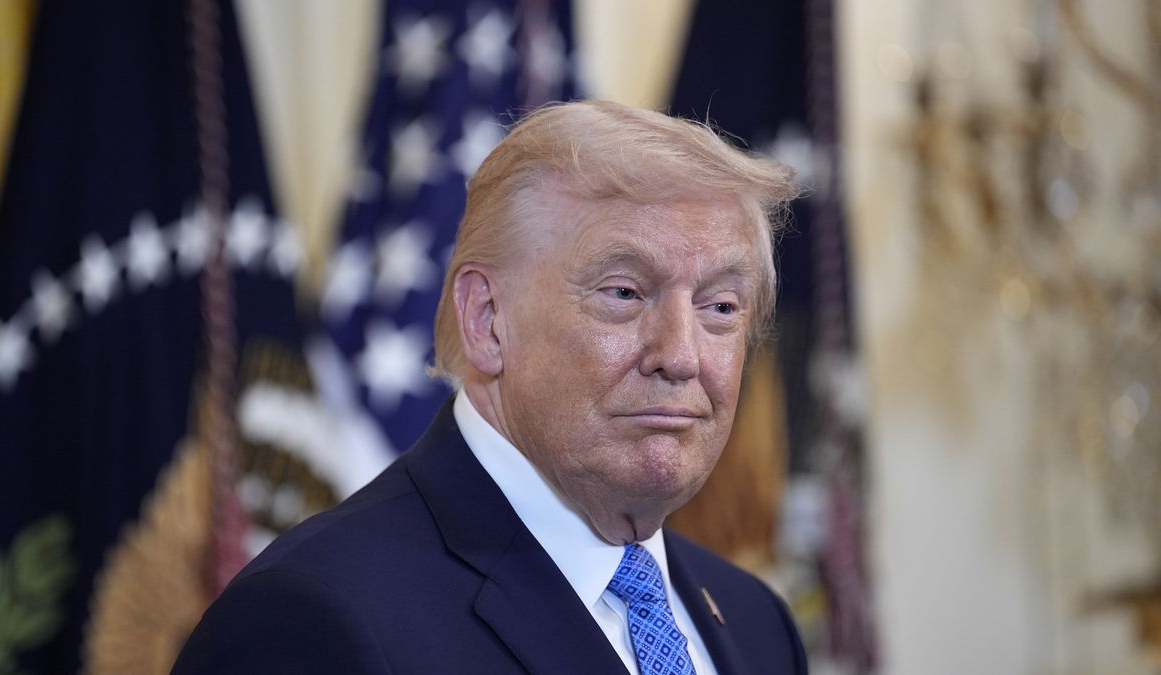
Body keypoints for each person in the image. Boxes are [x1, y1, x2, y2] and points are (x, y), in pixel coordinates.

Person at [172, 100, 806, 674]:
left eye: (721, 307)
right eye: (624, 293)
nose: (681, 356)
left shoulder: (758, 625)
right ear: (487, 321)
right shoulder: (313, 622)